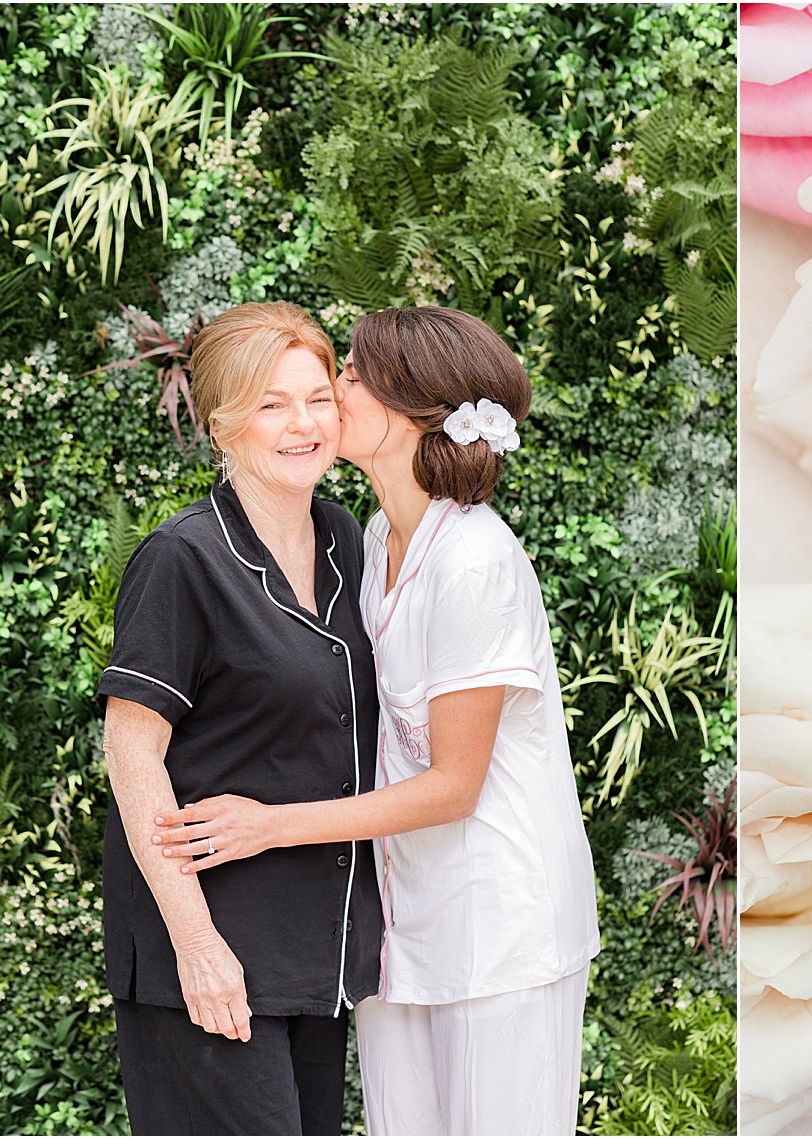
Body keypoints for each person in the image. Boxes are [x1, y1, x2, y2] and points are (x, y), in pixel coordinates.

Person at [152, 305, 601, 1136]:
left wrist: (267, 826)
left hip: (500, 919)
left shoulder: (474, 559)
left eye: (350, 376)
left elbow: (455, 785)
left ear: (410, 407)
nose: (332, 388)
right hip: (400, 924)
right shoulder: (366, 542)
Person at [99, 301, 385, 1135]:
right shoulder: (183, 559)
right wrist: (197, 944)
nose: (303, 424)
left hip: (315, 960)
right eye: (271, 403)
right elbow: (131, 751)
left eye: (318, 397)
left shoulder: (348, 542)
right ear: (223, 423)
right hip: (212, 960)